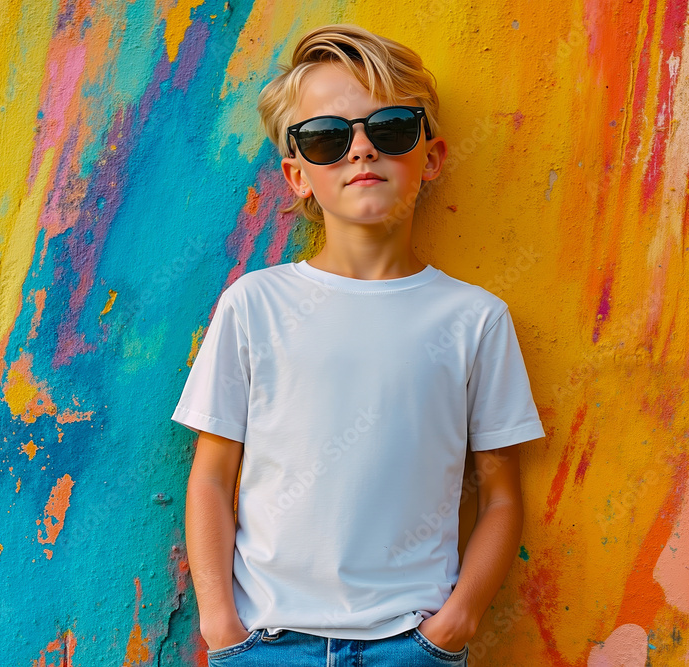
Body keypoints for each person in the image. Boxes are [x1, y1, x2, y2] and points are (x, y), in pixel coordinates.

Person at [171, 23, 544, 666]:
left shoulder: (474, 319)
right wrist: (220, 626)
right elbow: (211, 475)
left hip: (411, 646)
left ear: (431, 156)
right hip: (266, 645)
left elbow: (500, 493)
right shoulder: (254, 306)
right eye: (327, 138)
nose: (362, 150)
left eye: (392, 128)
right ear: (297, 175)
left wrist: (454, 624)